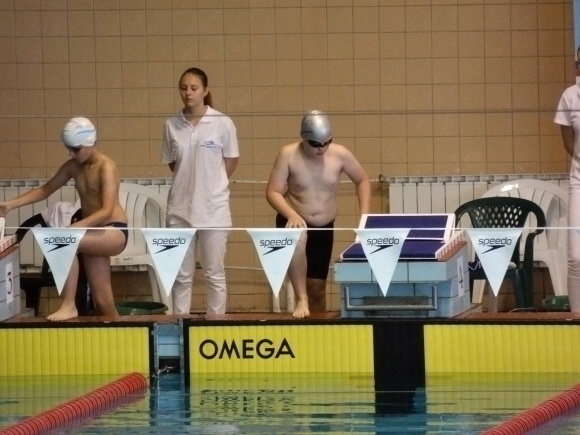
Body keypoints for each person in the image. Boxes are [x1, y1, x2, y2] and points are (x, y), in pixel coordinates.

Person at [0, 117, 128, 321]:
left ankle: (69, 305)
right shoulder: (73, 167)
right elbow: (45, 190)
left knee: (63, 240)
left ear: (89, 142)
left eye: (76, 149)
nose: (71, 153)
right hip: (92, 233)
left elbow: (106, 210)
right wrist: (10, 205)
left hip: (113, 231)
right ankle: (122, 335)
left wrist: (75, 227)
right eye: (69, 148)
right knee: (103, 302)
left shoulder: (107, 167)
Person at [266, 110, 371, 318]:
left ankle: (317, 327)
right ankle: (301, 299)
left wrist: (364, 219)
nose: (321, 148)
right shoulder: (288, 154)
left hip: (324, 225)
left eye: (326, 142)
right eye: (315, 144)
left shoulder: (340, 154)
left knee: (317, 288)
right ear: (304, 138)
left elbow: (362, 180)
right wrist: (291, 214)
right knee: (298, 239)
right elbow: (273, 192)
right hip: (293, 220)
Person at [161, 67, 239, 315]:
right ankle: (180, 325)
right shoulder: (171, 124)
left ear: (205, 91)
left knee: (214, 273)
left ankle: (215, 324)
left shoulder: (222, 123)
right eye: (183, 88)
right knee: (182, 275)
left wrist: (210, 183)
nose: (188, 93)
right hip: (179, 209)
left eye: (194, 88)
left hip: (213, 209)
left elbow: (230, 162)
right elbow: (174, 164)